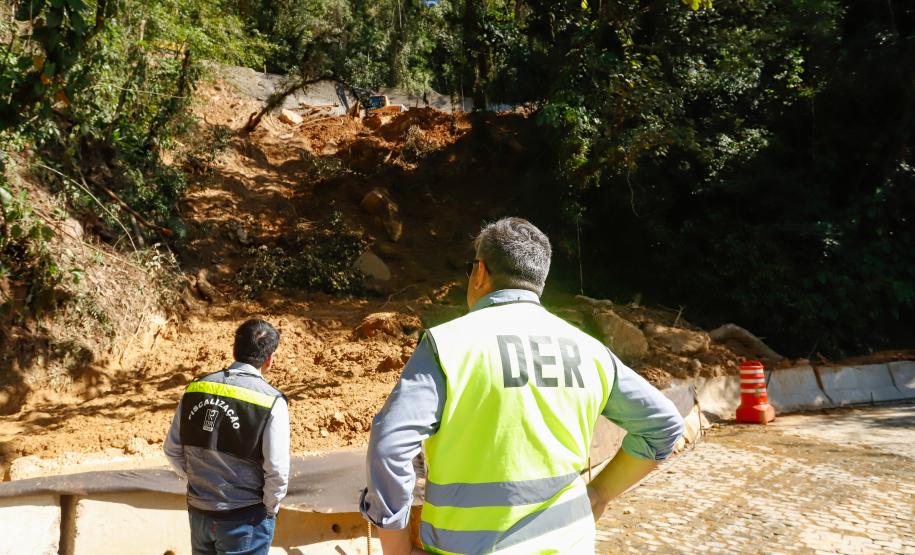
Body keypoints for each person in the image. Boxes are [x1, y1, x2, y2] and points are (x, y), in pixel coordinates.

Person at [360, 217, 685, 554]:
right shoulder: (589, 350)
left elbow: (389, 446)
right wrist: (599, 493)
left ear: (480, 272)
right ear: (537, 280)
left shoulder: (448, 345)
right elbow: (664, 425)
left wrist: (396, 550)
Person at [164, 319, 289, 555]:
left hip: (200, 514)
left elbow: (172, 450)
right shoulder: (272, 401)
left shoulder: (195, 389)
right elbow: (277, 470)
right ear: (269, 359)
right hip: (245, 518)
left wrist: (199, 481)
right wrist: (270, 509)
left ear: (234, 350)